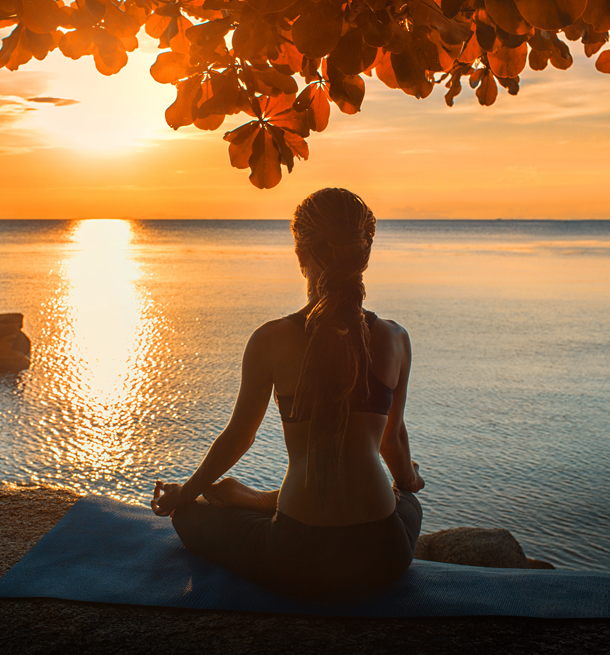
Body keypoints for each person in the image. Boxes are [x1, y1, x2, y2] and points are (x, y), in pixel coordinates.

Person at [150, 188, 425, 603]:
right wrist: (408, 480)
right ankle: (263, 499)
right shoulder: (395, 338)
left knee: (191, 515)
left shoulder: (271, 340)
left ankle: (263, 500)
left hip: (298, 556)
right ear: (364, 255)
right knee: (407, 503)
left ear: (301, 255)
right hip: (383, 555)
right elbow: (394, 442)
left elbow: (238, 438)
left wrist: (182, 495)